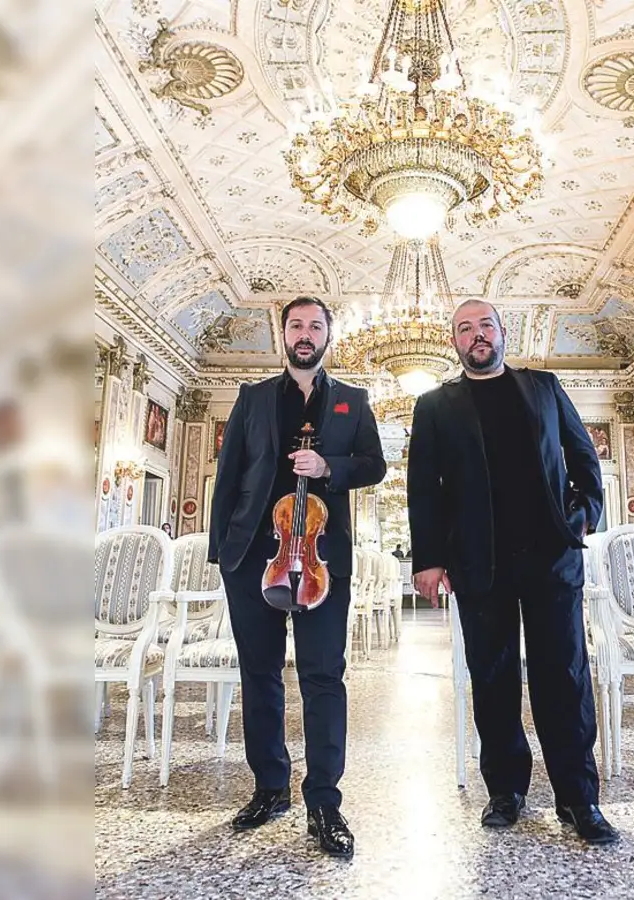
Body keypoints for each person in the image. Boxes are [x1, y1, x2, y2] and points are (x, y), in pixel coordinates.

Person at [405, 299, 616, 845]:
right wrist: (427, 559)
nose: (477, 335)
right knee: (493, 678)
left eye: (486, 326)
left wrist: (584, 515)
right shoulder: (434, 405)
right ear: (454, 342)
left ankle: (578, 798)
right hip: (479, 562)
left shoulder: (544, 387)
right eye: (465, 328)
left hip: (551, 556)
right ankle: (506, 790)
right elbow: (423, 487)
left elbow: (583, 455)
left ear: (503, 333)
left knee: (563, 678)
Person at [207, 296, 386, 858]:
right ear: (281, 334)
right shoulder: (253, 397)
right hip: (253, 553)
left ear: (328, 335)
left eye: (315, 325)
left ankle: (324, 801)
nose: (304, 334)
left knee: (322, 678)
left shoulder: (352, 402)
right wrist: (222, 553)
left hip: (319, 560)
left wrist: (331, 467)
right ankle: (270, 788)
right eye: (296, 325)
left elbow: (376, 465)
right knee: (260, 674)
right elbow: (230, 473)